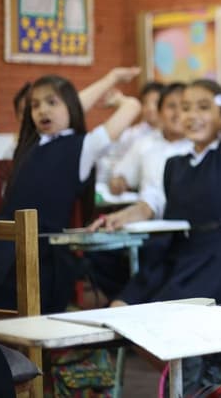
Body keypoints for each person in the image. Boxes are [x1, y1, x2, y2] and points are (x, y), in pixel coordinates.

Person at [92, 0, 221, 307]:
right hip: (177, 252)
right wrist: (122, 217)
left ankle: (199, 361)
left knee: (167, 312)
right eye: (185, 107)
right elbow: (152, 203)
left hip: (220, 257)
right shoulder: (174, 164)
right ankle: (175, 361)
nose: (191, 115)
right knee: (121, 306)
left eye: (203, 107)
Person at [0, 67, 141, 313]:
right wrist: (109, 78)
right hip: (1, 247)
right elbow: (67, 107)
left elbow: (131, 107)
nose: (42, 110)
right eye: (35, 105)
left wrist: (118, 94)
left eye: (51, 102)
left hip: (42, 257)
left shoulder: (85, 147)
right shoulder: (29, 142)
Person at [85, 82, 192, 300]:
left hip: (184, 231)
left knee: (154, 257)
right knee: (97, 254)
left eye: (185, 106)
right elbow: (128, 181)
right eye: (172, 106)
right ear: (159, 113)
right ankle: (130, 305)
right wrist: (120, 186)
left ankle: (130, 304)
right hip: (147, 224)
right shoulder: (147, 145)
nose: (179, 113)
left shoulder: (197, 148)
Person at [98, 81, 164, 187]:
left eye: (155, 103)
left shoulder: (174, 136)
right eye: (145, 103)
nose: (150, 108)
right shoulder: (132, 134)